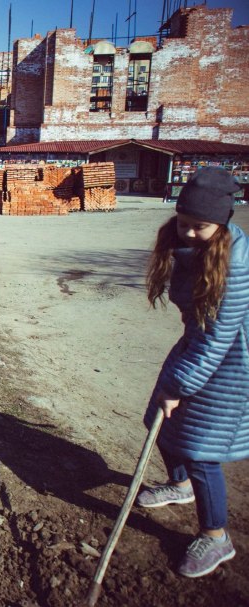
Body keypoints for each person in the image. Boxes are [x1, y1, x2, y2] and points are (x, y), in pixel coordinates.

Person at [137, 166, 247, 578]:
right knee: (160, 422)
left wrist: (180, 384)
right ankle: (180, 486)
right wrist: (175, 386)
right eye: (183, 223)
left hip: (229, 362)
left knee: (201, 450)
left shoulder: (234, 263)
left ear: (221, 223)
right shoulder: (189, 244)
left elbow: (217, 338)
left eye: (199, 227)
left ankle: (217, 537)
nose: (187, 233)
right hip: (197, 348)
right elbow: (200, 331)